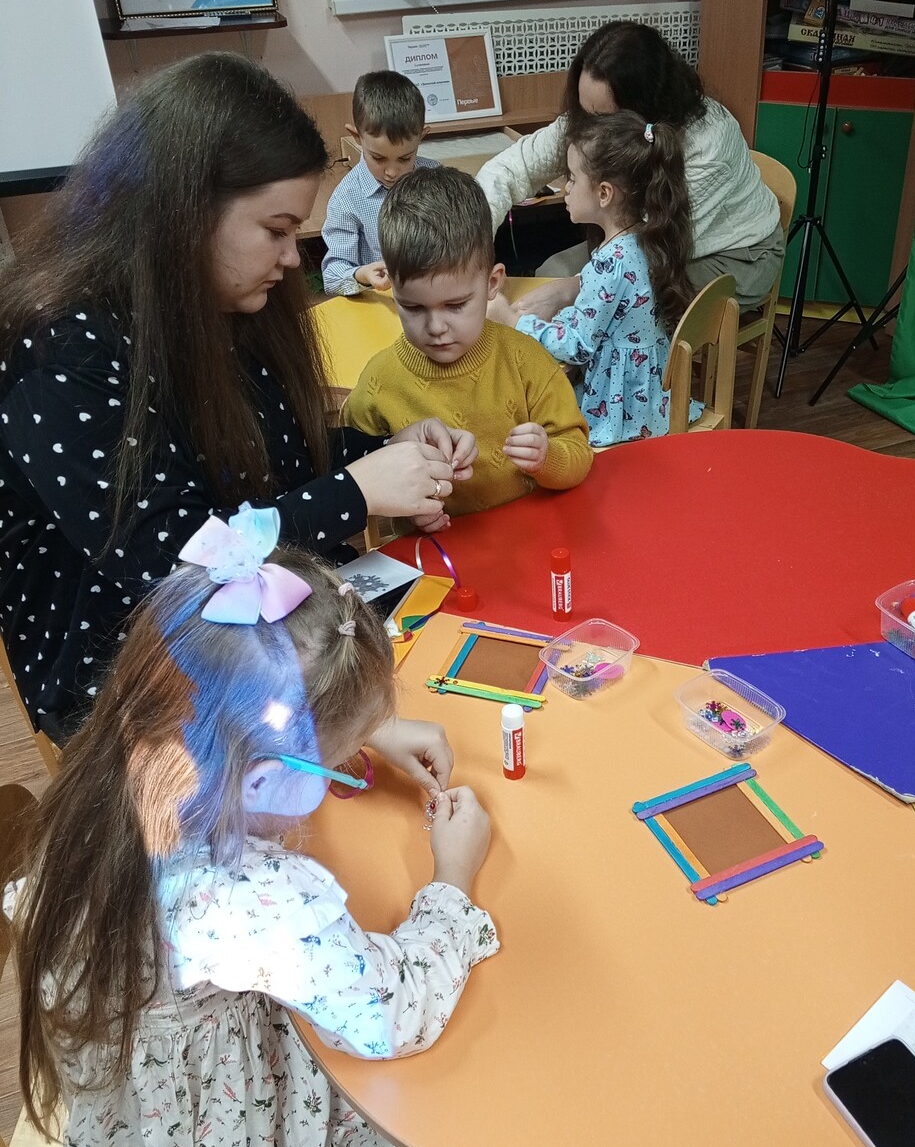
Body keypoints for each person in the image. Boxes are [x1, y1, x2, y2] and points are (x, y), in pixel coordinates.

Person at [12, 510, 499, 1147]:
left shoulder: (123, 751)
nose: (343, 766)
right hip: (208, 1109)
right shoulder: (250, 903)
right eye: (332, 759)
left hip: (128, 1037)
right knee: (400, 1084)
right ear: (265, 777)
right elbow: (388, 1015)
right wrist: (452, 879)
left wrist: (358, 727)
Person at [0, 52, 476, 744]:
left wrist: (380, 454)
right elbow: (169, 559)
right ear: (185, 213)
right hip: (131, 673)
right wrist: (354, 492)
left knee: (457, 667)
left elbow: (270, 458)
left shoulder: (225, 305)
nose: (291, 258)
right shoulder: (63, 346)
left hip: (263, 616)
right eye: (276, 230)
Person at [475, 20, 784, 316]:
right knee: (552, 273)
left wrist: (571, 290)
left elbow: (649, 249)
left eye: (602, 117)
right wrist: (469, 250)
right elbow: (510, 169)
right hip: (640, 244)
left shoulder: (709, 146)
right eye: (584, 110)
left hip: (732, 256)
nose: (589, 125)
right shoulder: (595, 111)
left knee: (625, 313)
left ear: (642, 107)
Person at [343, 166, 594, 528]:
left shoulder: (525, 360)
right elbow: (355, 487)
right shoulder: (378, 382)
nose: (435, 327)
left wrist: (547, 457)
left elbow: (579, 458)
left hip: (530, 541)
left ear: (493, 283)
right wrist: (409, 512)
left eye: (456, 305)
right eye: (413, 307)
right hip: (433, 553)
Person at [487, 111, 694, 447]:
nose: (565, 189)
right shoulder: (645, 237)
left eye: (571, 178)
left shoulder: (610, 263)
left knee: (528, 411)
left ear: (604, 194)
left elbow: (577, 347)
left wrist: (512, 321)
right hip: (647, 394)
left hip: (620, 408)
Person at [321, 70, 439, 297]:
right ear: (356, 137)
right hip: (381, 303)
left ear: (422, 136)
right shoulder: (346, 198)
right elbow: (332, 277)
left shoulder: (435, 179)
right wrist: (362, 275)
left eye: (405, 158)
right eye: (378, 158)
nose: (391, 172)